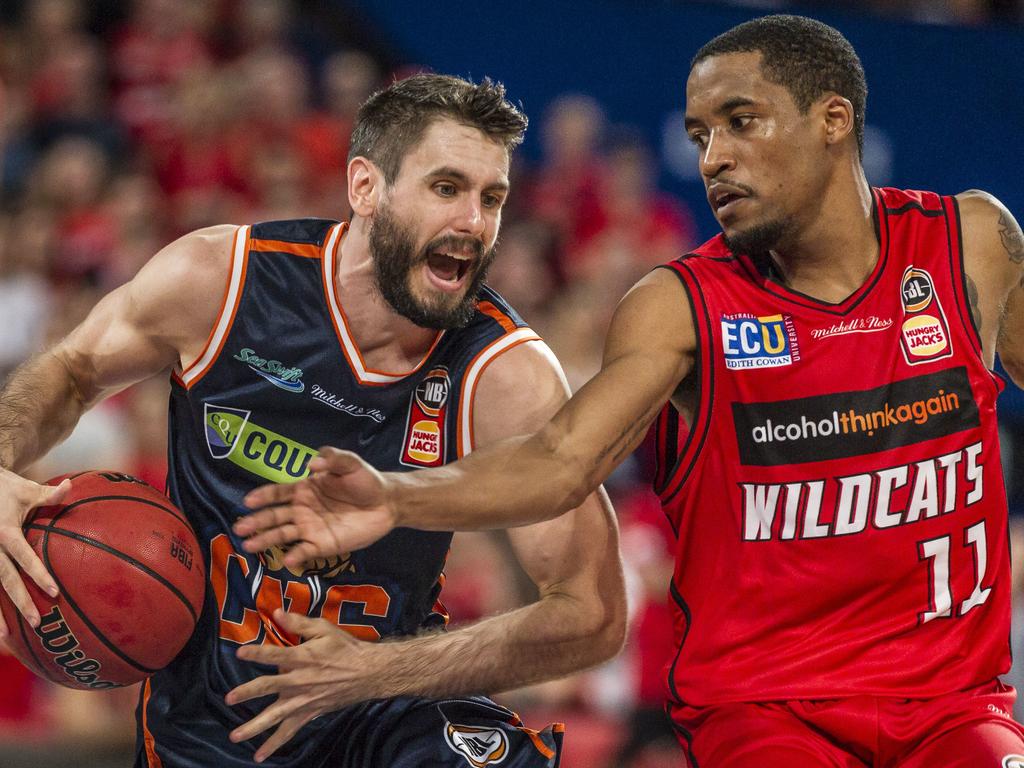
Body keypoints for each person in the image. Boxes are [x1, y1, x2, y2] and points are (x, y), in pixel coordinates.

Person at [237, 15, 1024, 768]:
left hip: (954, 706)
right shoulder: (682, 305)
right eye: (700, 135)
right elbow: (559, 459)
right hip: (768, 714)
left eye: (740, 122)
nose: (713, 157)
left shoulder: (969, 245)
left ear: (833, 120)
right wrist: (397, 495)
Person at [0, 73, 627, 767]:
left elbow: (591, 615)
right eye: (446, 189)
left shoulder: (503, 374)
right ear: (365, 188)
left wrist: (375, 673)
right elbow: (71, 371)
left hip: (390, 706)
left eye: (492, 199)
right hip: (210, 723)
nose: (474, 223)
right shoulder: (222, 280)